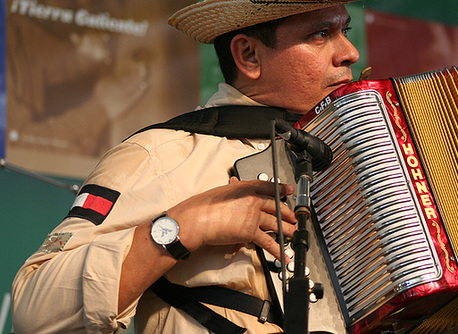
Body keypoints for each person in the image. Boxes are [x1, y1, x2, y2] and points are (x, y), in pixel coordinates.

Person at [11, 1, 360, 333]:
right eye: (320, 34)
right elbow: (34, 315)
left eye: (345, 30)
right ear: (249, 55)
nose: (350, 52)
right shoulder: (160, 152)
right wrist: (184, 227)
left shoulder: (355, 157)